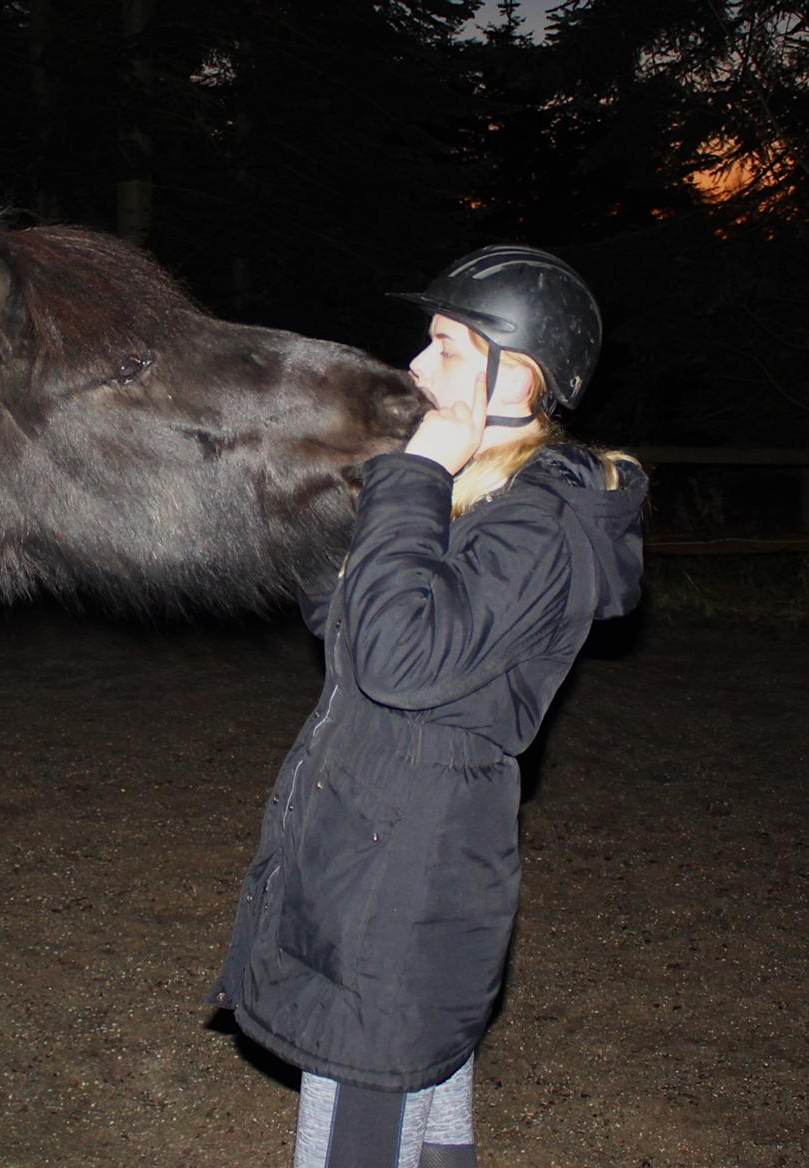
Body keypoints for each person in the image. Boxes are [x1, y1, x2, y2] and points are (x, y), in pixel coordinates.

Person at [210, 245, 648, 1168]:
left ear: (519, 373)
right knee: (428, 1110)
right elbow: (347, 626)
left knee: (364, 1121)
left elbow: (401, 663)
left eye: (445, 345)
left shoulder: (543, 521)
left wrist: (414, 483)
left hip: (406, 883)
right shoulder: (470, 497)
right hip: (374, 853)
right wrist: (371, 506)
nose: (415, 363)